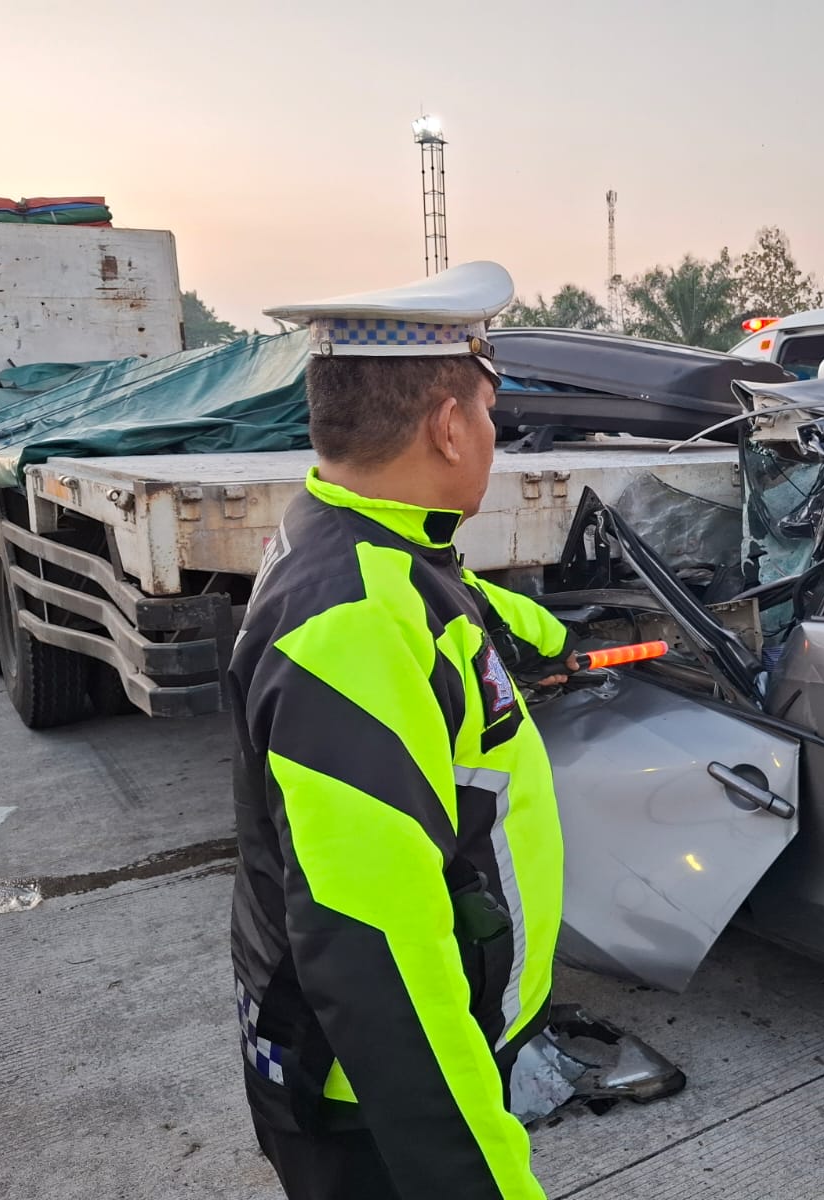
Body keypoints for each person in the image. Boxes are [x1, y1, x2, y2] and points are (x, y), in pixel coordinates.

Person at [229, 261, 574, 1200]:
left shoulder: (347, 534)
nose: (493, 440)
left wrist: (539, 632)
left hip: (386, 1071)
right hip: (376, 1106)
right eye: (491, 417)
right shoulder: (354, 628)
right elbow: (378, 956)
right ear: (449, 424)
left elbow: (422, 589)